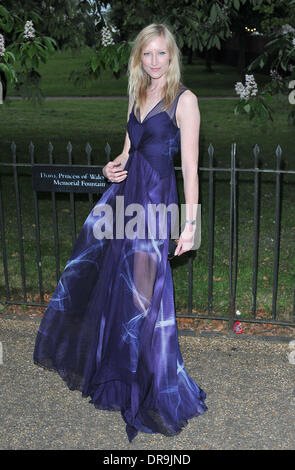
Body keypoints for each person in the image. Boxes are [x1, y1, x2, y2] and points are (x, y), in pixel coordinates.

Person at [33, 23, 207, 443]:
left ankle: (150, 384)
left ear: (172, 55)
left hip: (156, 207)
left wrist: (190, 224)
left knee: (146, 296)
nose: (153, 61)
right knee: (119, 289)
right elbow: (128, 151)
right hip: (126, 203)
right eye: (146, 54)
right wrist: (110, 168)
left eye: (161, 54)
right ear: (138, 57)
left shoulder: (184, 100)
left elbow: (189, 169)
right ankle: (122, 376)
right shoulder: (136, 94)